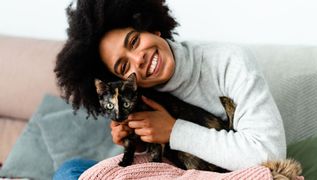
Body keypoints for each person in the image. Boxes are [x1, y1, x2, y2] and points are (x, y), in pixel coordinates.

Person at [53, 0, 286, 179]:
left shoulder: (229, 62)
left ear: (152, 29)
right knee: (71, 170)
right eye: (124, 66)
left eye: (134, 42)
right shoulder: (139, 95)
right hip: (170, 171)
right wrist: (138, 142)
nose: (139, 59)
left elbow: (269, 154)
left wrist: (174, 131)